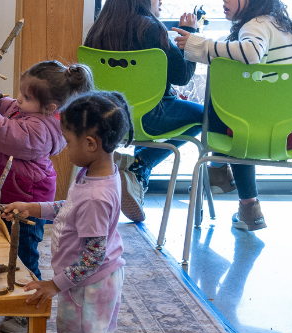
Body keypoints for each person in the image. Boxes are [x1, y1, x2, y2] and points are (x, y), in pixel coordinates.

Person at [0, 60, 87, 333]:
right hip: (9, 195)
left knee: (24, 253)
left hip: (27, 200)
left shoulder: (41, 129)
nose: (19, 100)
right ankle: (7, 292)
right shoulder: (27, 110)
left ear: (50, 108)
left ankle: (28, 308)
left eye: (26, 97)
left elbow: (2, 131)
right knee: (2, 244)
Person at [171, 0, 292, 231]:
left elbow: (250, 53)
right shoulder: (280, 24)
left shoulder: (255, 24)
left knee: (229, 104)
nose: (224, 1)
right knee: (242, 109)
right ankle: (246, 206)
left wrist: (201, 45)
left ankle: (219, 172)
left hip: (260, 130)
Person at [13, 91, 132, 333]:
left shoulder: (95, 197)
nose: (64, 149)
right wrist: (33, 208)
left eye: (68, 141)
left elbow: (92, 256)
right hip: (90, 280)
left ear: (90, 144)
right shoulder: (98, 173)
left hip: (88, 287)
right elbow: (70, 208)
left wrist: (53, 285)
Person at [83, 0, 206, 222]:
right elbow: (182, 76)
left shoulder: (97, 30)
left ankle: (135, 172)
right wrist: (190, 33)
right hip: (149, 119)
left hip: (105, 120)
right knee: (205, 116)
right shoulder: (152, 28)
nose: (160, 1)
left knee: (161, 105)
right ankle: (140, 165)